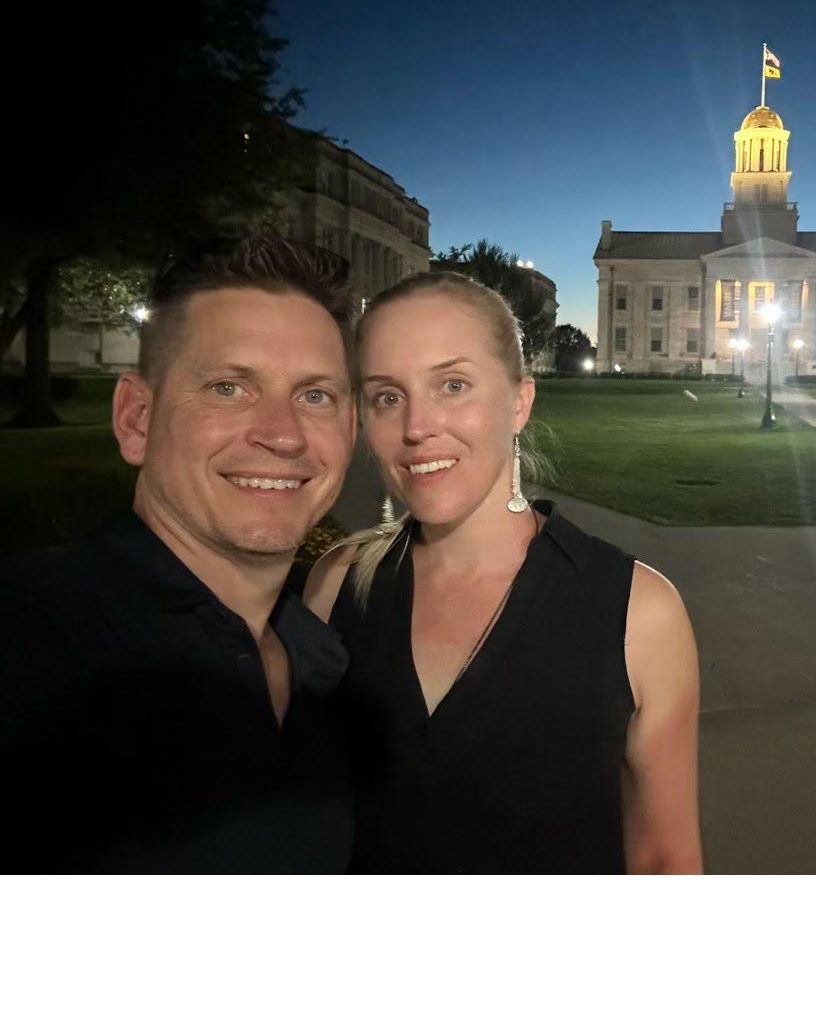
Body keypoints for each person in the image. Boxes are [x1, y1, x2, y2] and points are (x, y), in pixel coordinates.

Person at [305, 272, 702, 874]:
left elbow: (666, 859)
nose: (416, 427)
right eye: (387, 396)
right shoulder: (336, 583)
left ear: (519, 402)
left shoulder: (637, 611)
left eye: (453, 385)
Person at [0, 234, 358, 872]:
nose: (283, 435)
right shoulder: (33, 638)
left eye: (315, 396)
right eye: (228, 388)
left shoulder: (322, 655)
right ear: (136, 419)